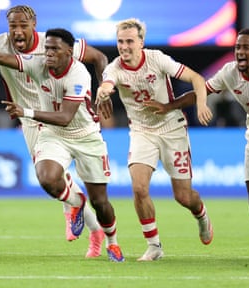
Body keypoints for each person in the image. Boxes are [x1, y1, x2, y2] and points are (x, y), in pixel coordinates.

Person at [0, 5, 105, 257]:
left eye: (23, 25)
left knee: (54, 177)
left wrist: (103, 89)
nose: (18, 31)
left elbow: (98, 57)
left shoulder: (51, 43)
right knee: (54, 180)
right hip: (30, 120)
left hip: (59, 114)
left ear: (34, 24)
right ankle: (89, 224)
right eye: (13, 26)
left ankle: (81, 216)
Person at [144, 28, 249, 260]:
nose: (240, 52)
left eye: (246, 47)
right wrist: (169, 106)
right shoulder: (229, 72)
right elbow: (201, 91)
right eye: (237, 48)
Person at [0, 28, 124, 262]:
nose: (49, 53)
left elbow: (65, 117)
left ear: (70, 52)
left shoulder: (78, 74)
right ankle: (75, 201)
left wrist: (25, 111)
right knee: (46, 177)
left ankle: (112, 242)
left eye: (55, 49)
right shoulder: (38, 63)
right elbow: (9, 59)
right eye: (47, 49)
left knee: (101, 202)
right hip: (54, 134)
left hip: (85, 136)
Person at [95, 18, 214, 261]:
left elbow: (197, 79)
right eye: (120, 41)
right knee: (139, 188)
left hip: (172, 129)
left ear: (141, 42)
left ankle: (201, 214)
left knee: (183, 196)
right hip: (142, 132)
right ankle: (154, 245)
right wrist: (103, 93)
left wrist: (201, 103)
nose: (124, 46)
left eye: (129, 41)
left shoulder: (157, 58)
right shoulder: (114, 68)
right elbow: (106, 84)